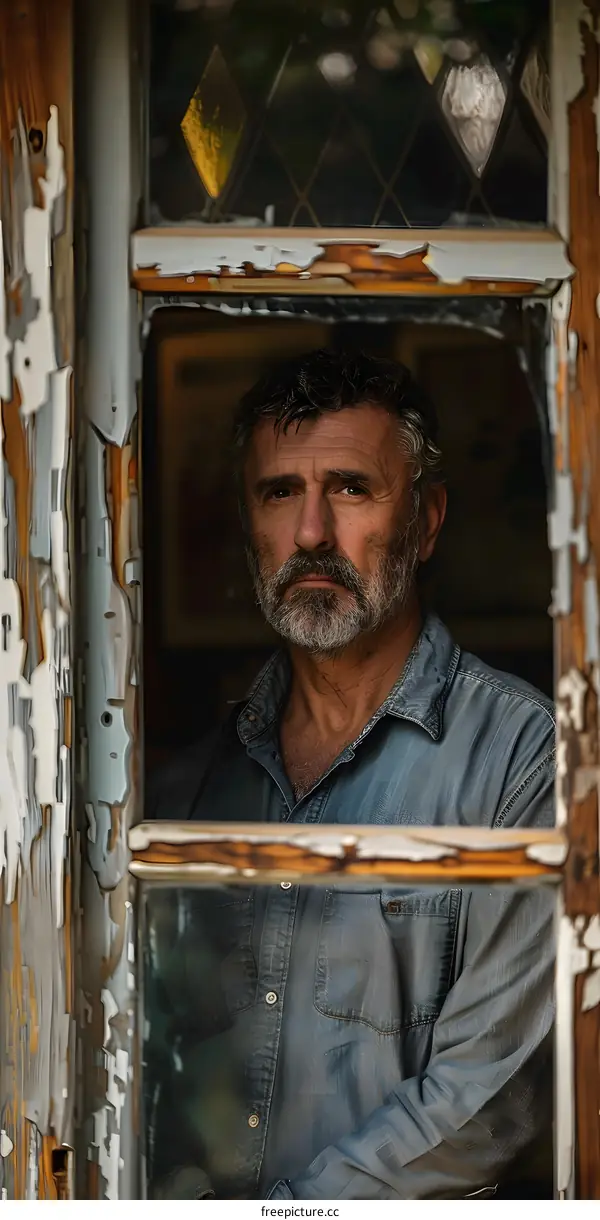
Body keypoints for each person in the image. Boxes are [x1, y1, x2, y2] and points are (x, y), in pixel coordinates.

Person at [146, 349, 555, 1201]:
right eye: (279, 493)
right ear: (249, 521)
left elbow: (492, 1100)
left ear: (427, 520)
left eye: (352, 489)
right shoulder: (180, 792)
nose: (310, 535)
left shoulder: (524, 757)